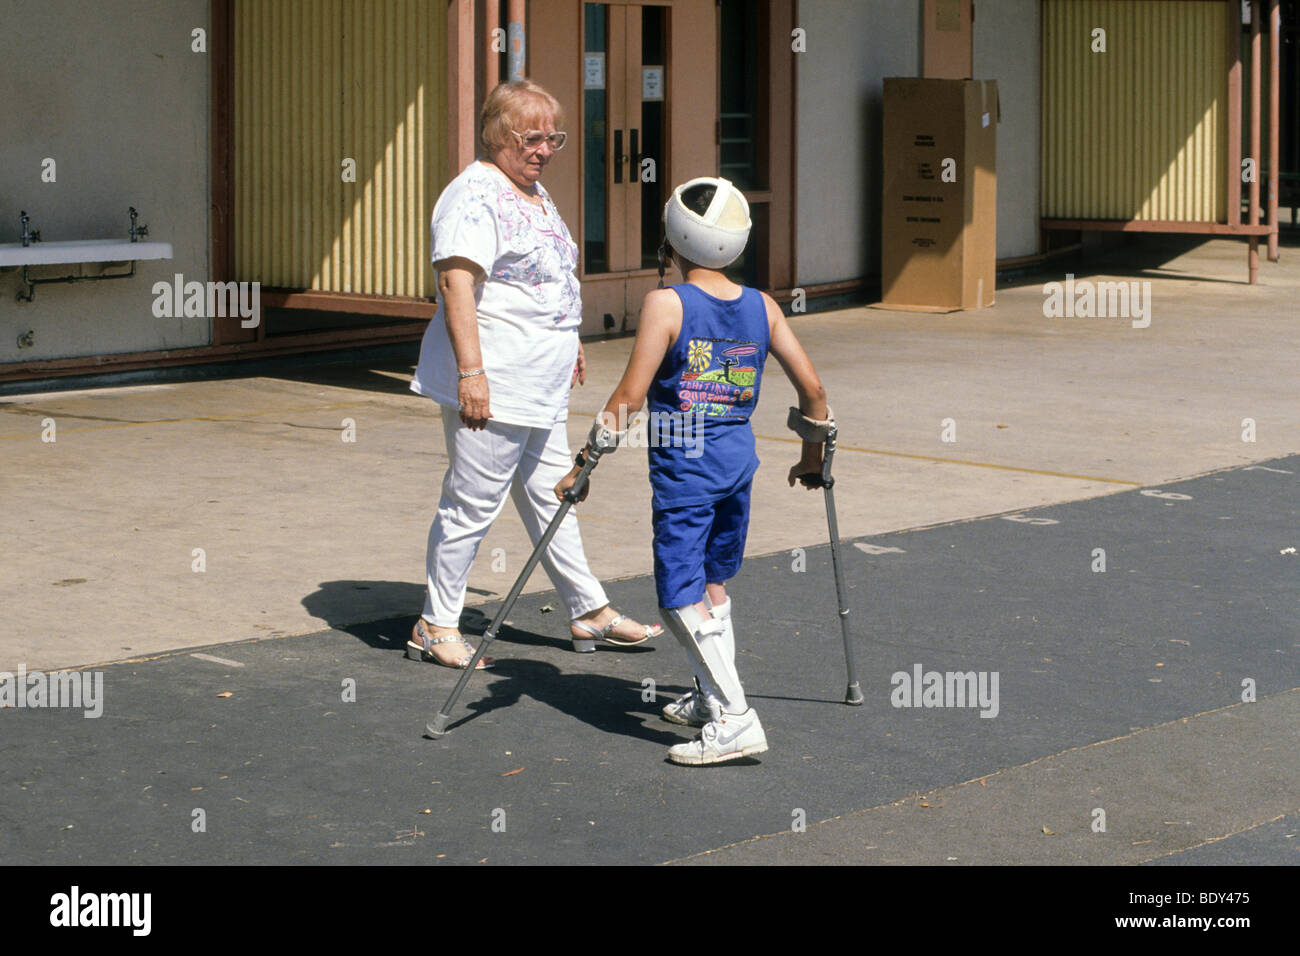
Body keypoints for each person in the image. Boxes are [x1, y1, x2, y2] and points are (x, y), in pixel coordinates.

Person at [556, 176, 832, 765]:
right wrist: (812, 460)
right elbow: (814, 390)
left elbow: (629, 398)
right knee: (713, 583)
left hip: (685, 471)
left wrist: (584, 464)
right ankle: (712, 698)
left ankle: (734, 717)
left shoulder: (666, 303)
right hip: (737, 465)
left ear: (672, 241)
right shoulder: (763, 305)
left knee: (676, 596)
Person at [409, 79, 661, 669]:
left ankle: (587, 609)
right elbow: (456, 285)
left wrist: (568, 336)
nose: (545, 150)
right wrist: (472, 374)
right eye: (533, 138)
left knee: (556, 497)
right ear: (497, 133)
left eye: (555, 138)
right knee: (472, 503)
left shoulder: (532, 193)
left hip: (538, 383)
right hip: (496, 381)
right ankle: (435, 622)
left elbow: (545, 277)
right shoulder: (474, 194)